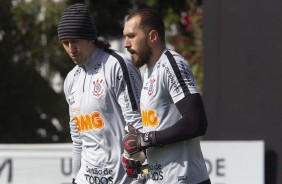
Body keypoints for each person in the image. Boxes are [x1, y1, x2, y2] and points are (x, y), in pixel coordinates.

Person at [57, 3, 144, 184]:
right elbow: (78, 140)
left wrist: (139, 179)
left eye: (75, 41)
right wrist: (74, 178)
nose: (71, 49)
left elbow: (137, 126)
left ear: (90, 38)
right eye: (66, 43)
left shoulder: (117, 66)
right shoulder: (71, 79)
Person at [122, 9, 211, 184]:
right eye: (125, 36)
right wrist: (140, 156)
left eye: (132, 36)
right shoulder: (149, 71)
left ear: (152, 36)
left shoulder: (171, 64)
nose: (126, 43)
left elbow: (196, 122)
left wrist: (146, 140)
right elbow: (162, 129)